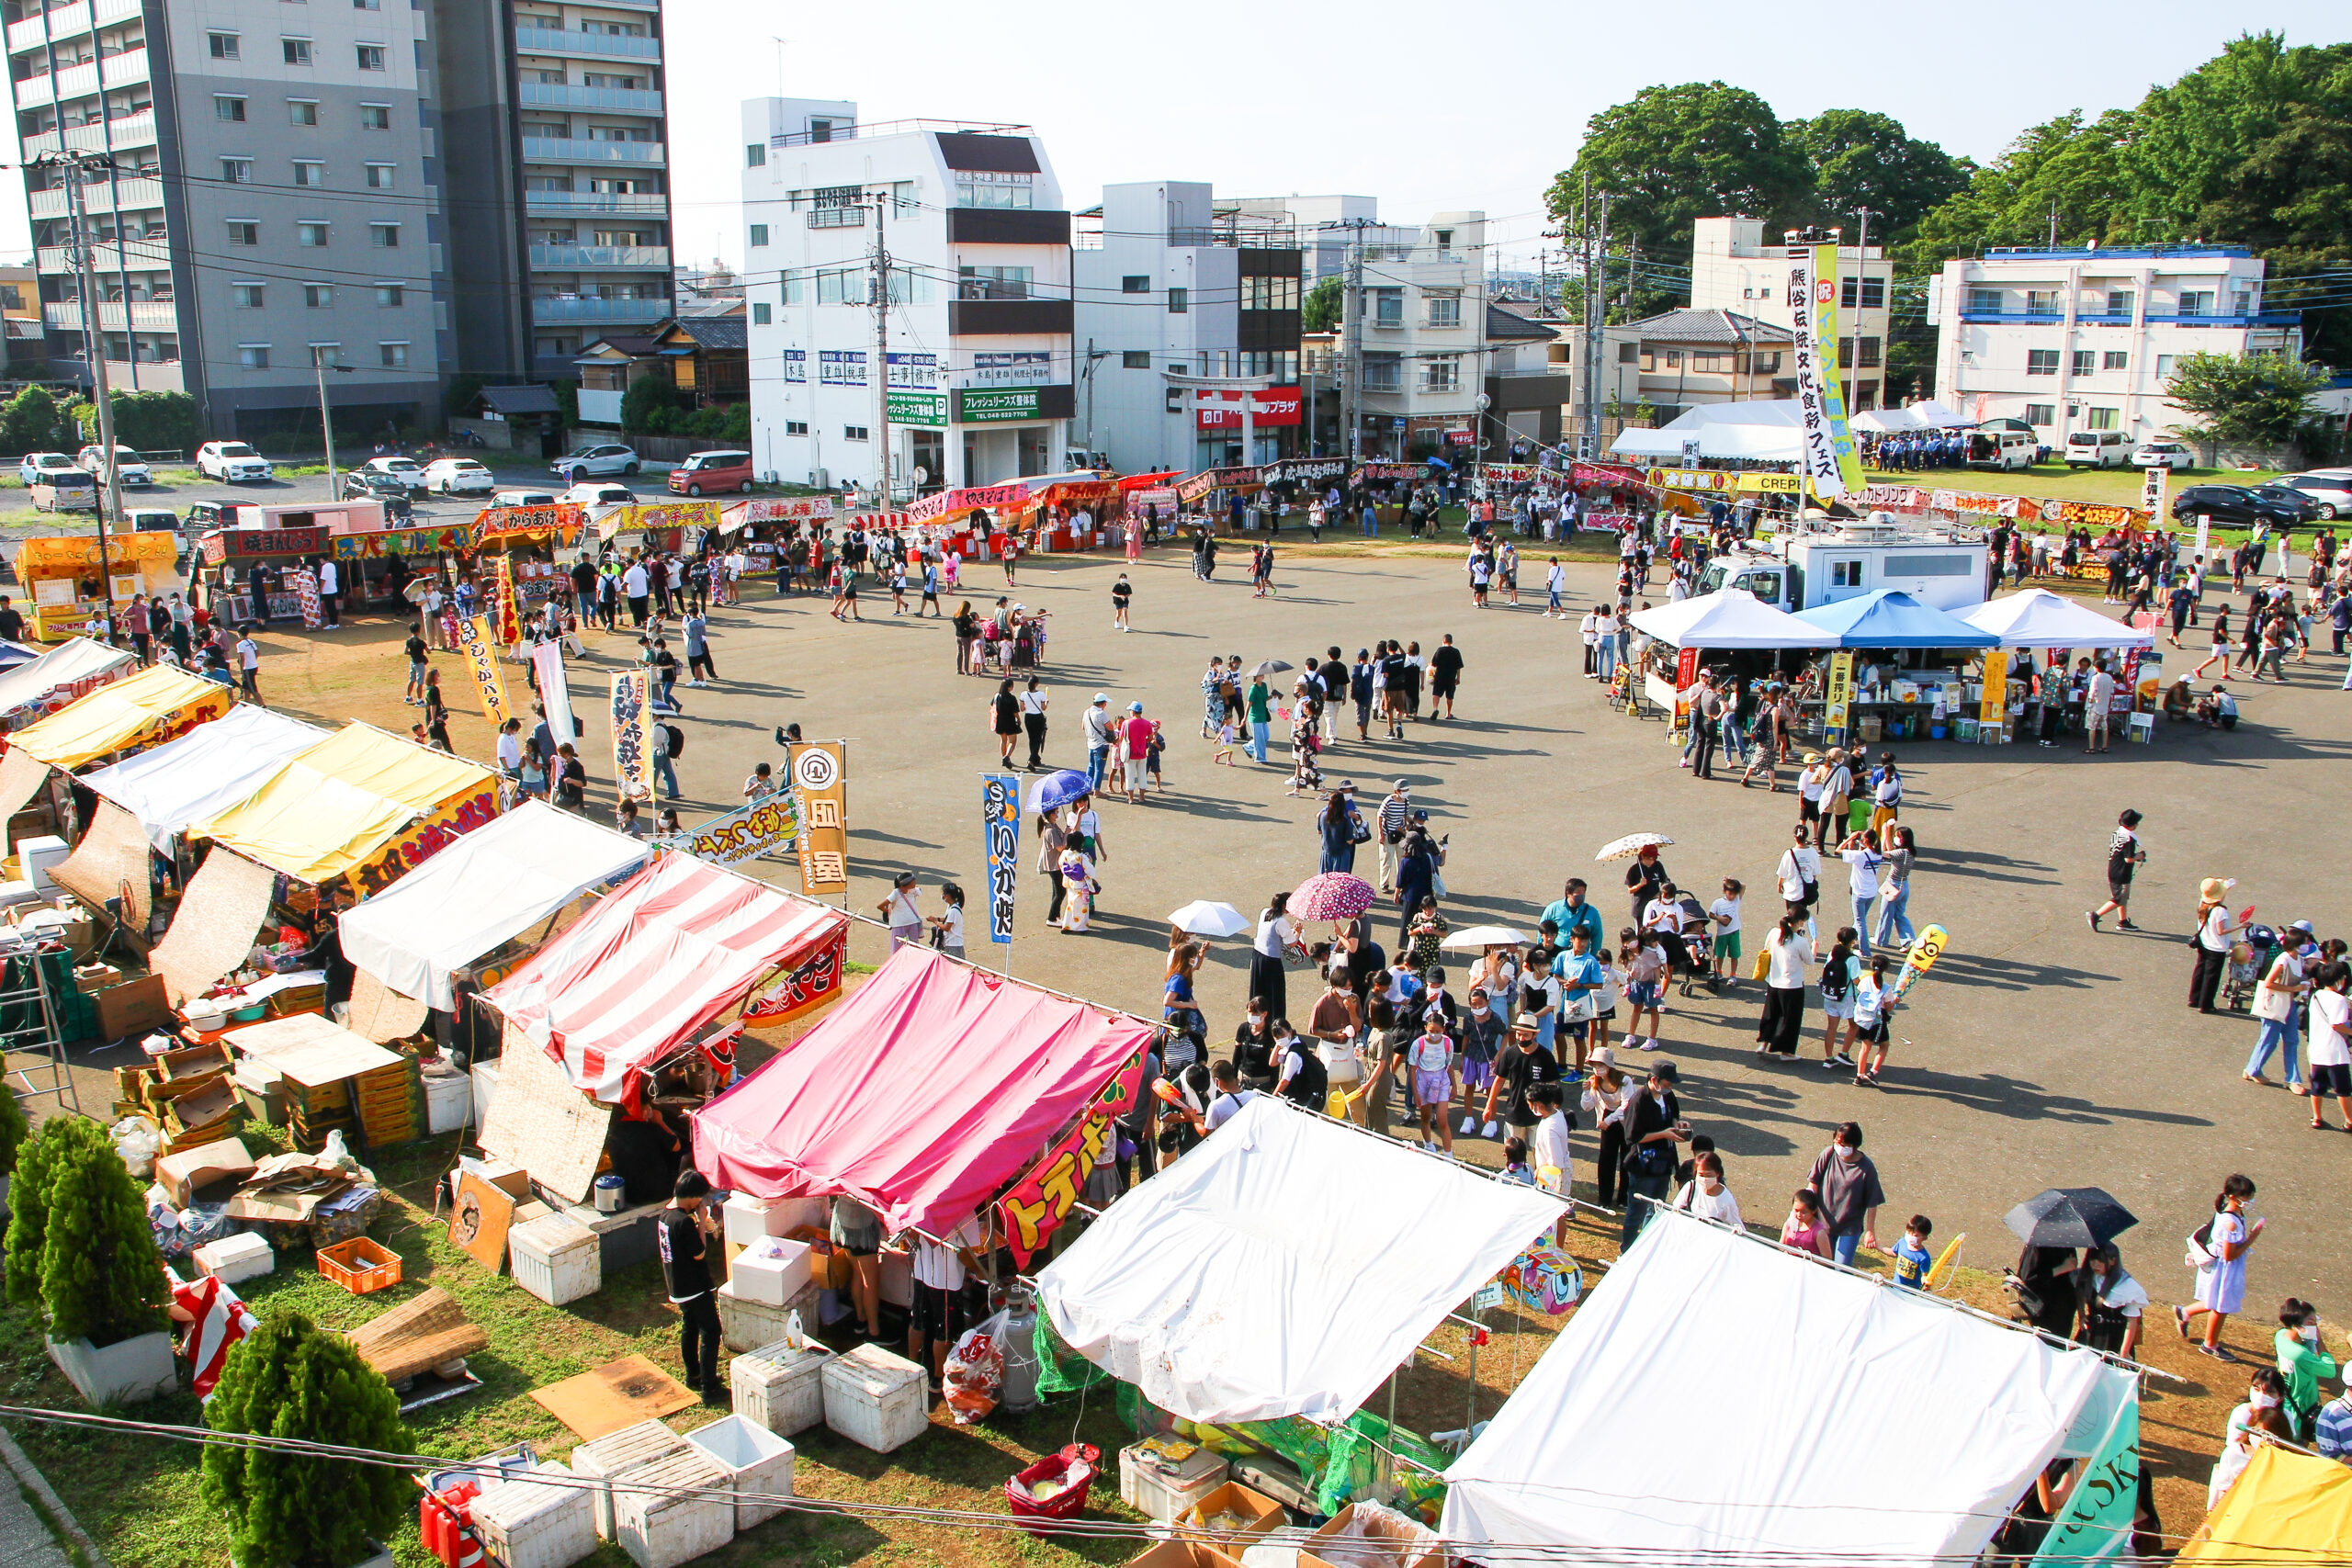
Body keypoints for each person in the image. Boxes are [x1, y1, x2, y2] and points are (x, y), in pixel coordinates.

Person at [2177, 1173, 2264, 1360]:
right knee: (2221, 1305)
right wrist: (2252, 1238)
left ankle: (2184, 1312)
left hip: (2224, 1267)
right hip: (2225, 1270)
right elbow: (2229, 1255)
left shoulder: (2232, 1213)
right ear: (2233, 1197)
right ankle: (2209, 1345)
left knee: (2216, 1300)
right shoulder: (2230, 1223)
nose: (2250, 1200)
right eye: (2247, 1197)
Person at [656, 1170, 723, 1398]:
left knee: (690, 1326)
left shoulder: (665, 1215)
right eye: (699, 1198)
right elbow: (699, 1253)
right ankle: (709, 1387)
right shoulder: (683, 1222)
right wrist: (702, 1222)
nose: (700, 1202)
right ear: (692, 1196)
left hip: (677, 1284)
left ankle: (693, 1374)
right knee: (711, 1331)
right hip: (694, 1286)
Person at [1617, 1061, 1687, 1249]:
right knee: (1636, 1212)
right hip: (1643, 1165)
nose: (1669, 1088)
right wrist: (1663, 1134)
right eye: (1667, 1084)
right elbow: (1633, 1137)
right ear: (1654, 1080)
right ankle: (1627, 1249)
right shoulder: (1639, 1100)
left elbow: (1674, 1114)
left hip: (1664, 1163)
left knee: (1657, 1209)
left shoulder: (1668, 1095)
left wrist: (1677, 1126)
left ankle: (1646, 1247)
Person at [908, 1213, 983, 1386]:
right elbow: (964, 1254)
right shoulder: (965, 1214)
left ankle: (911, 1366)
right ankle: (937, 1379)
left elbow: (913, 1234)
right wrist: (979, 1270)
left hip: (921, 1272)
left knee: (917, 1322)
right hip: (947, 1280)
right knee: (944, 1332)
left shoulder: (924, 1204)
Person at [1805, 1122, 1885, 1265]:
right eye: (1837, 1142)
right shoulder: (1828, 1154)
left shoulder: (1867, 1167)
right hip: (1824, 1223)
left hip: (1849, 1227)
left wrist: (1870, 1230)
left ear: (1854, 1145)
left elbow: (1872, 1202)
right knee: (1822, 1264)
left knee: (1841, 1268)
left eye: (1845, 1145)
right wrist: (1807, 1211)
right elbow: (1813, 1184)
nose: (1840, 1147)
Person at [1757, 913, 1814, 1057]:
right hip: (1792, 986)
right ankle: (1786, 1052)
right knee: (1790, 1020)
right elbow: (1809, 960)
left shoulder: (1774, 933)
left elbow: (1766, 948)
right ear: (1800, 922)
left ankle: (1764, 1043)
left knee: (1771, 1014)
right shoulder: (1800, 941)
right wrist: (1814, 948)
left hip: (1773, 981)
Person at [831, 1195, 885, 1340]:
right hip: (862, 1225)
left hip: (842, 1220)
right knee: (870, 1281)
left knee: (858, 1272)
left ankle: (861, 1319)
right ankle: (874, 1331)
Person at [2306, 964, 2352, 1131]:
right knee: (2343, 1089)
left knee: (2317, 1086)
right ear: (2339, 980)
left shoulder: (2316, 996)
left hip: (2316, 1048)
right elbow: (2337, 1025)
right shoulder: (2339, 1000)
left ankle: (2317, 1118)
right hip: (2335, 1052)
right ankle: (2349, 1121)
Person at [1405, 1012, 1455, 1152]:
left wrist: (1454, 1086)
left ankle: (1448, 1153)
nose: (1434, 1034)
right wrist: (1415, 1093)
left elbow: (1449, 1065)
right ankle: (1428, 1144)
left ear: (1443, 1029)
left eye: (1438, 1031)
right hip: (1424, 1081)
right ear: (1426, 1028)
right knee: (1426, 1117)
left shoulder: (1448, 1043)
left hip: (1441, 1080)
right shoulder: (1418, 1044)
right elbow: (1412, 1069)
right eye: (1431, 1031)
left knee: (1442, 1119)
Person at [2189, 877, 2235, 1012]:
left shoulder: (2203, 904)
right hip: (2216, 947)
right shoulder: (2220, 911)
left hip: (2204, 943)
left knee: (2200, 971)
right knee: (2212, 977)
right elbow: (2221, 931)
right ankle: (2206, 1005)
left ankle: (2194, 999)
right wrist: (2241, 926)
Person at [1674, 1150, 1742, 1227]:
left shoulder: (1727, 1200)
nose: (1705, 1179)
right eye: (1701, 1175)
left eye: (1709, 1175)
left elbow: (1737, 1227)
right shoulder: (1690, 1188)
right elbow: (1675, 1211)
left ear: (1718, 1173)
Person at [878, 871, 924, 952]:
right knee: (897, 949)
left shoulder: (914, 891)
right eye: (912, 885)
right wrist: (889, 911)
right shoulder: (896, 893)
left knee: (914, 948)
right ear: (902, 886)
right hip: (899, 924)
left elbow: (919, 891)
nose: (914, 887)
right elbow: (880, 906)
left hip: (912, 922)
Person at [1781, 1189, 1832, 1258]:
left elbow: (1827, 1258)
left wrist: (1807, 1257)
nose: (1799, 1215)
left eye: (1804, 1212)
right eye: (1796, 1210)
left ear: (1813, 1211)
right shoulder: (1789, 1224)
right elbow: (1781, 1245)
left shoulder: (1819, 1232)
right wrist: (1785, 1251)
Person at [1893, 1215, 1935, 1291]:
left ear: (1924, 1237)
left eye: (1915, 1235)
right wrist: (1878, 1247)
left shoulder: (1924, 1257)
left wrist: (1926, 1283)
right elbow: (1893, 1252)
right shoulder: (1902, 1243)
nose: (1910, 1236)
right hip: (1895, 1286)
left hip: (1911, 1291)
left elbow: (1924, 1275)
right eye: (1908, 1232)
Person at [1019, 676, 1050, 773]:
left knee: (1032, 738)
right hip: (1038, 717)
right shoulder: (1041, 694)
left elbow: (1022, 709)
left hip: (1028, 717)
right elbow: (1044, 708)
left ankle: (1035, 758)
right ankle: (1031, 760)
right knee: (1038, 739)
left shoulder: (1023, 694)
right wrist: (1046, 703)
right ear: (1036, 684)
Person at [1430, 635, 1463, 719]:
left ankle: (1435, 709)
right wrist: (1458, 678)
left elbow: (1433, 664)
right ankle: (1448, 713)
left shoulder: (1440, 650)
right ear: (1451, 641)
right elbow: (1458, 667)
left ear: (1444, 641)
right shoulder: (1456, 651)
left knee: (1436, 694)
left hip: (1439, 676)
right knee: (1450, 696)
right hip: (1451, 677)